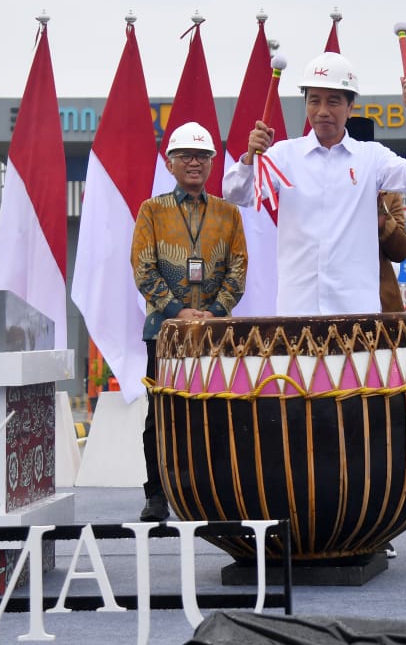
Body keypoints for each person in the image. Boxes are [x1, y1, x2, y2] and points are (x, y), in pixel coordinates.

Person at [223, 51, 406, 315]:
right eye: (314, 101)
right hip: (298, 309)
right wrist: (250, 157)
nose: (322, 111)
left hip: (356, 311)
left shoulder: (371, 157)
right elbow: (236, 193)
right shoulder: (284, 155)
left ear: (350, 107)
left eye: (333, 102)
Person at [131, 121, 248, 522]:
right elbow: (144, 269)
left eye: (202, 156)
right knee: (160, 414)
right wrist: (179, 313)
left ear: (213, 163)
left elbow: (238, 270)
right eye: (186, 156)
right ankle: (157, 494)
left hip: (214, 333)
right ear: (171, 163)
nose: (194, 162)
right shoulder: (152, 211)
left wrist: (212, 314)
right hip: (164, 331)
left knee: (216, 411)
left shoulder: (228, 213)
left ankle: (212, 491)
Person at [346, 115, 406, 313]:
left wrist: (383, 222)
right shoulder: (320, 186)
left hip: (379, 298)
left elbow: (401, 252)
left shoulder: (388, 192)